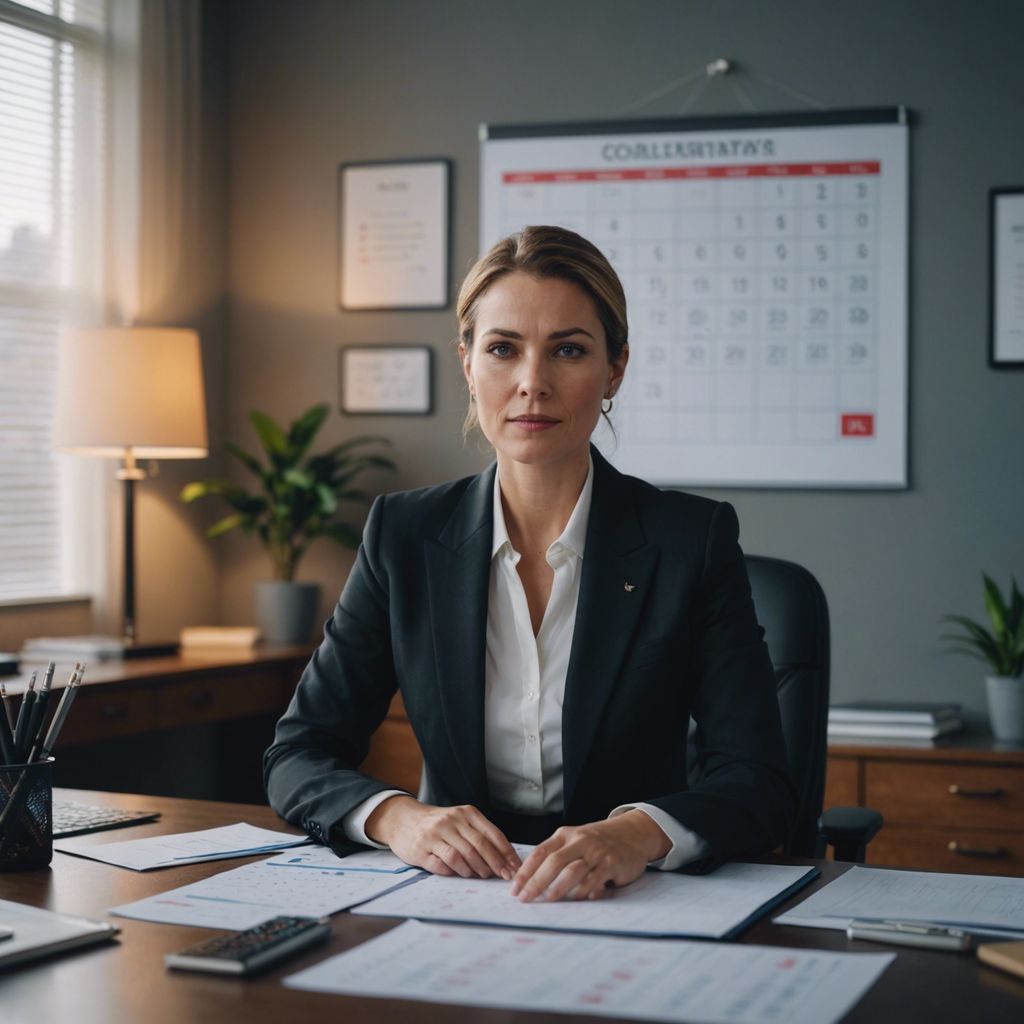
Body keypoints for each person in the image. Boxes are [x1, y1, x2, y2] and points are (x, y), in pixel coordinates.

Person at [264, 225, 795, 903]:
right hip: (456, 895)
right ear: (468, 365)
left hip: (633, 896)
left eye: (568, 351)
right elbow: (298, 752)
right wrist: (401, 819)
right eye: (502, 350)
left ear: (615, 369)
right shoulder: (404, 535)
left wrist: (635, 833)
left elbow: (760, 782)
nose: (531, 383)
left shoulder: (690, 540)